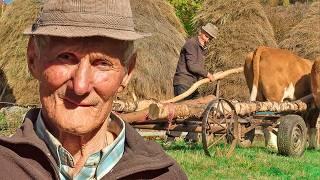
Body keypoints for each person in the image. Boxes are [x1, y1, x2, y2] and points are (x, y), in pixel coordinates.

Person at [0, 0, 187, 179]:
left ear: (127, 73)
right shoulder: (5, 167)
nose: (80, 86)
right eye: (65, 57)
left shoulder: (164, 175)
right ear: (33, 59)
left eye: (102, 63)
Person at [166, 23, 218, 143]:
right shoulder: (191, 44)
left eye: (210, 38)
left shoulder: (200, 48)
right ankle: (170, 138)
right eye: (207, 37)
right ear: (202, 33)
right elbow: (192, 66)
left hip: (193, 84)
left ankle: (191, 138)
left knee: (198, 108)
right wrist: (207, 74)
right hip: (183, 82)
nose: (208, 40)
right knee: (180, 111)